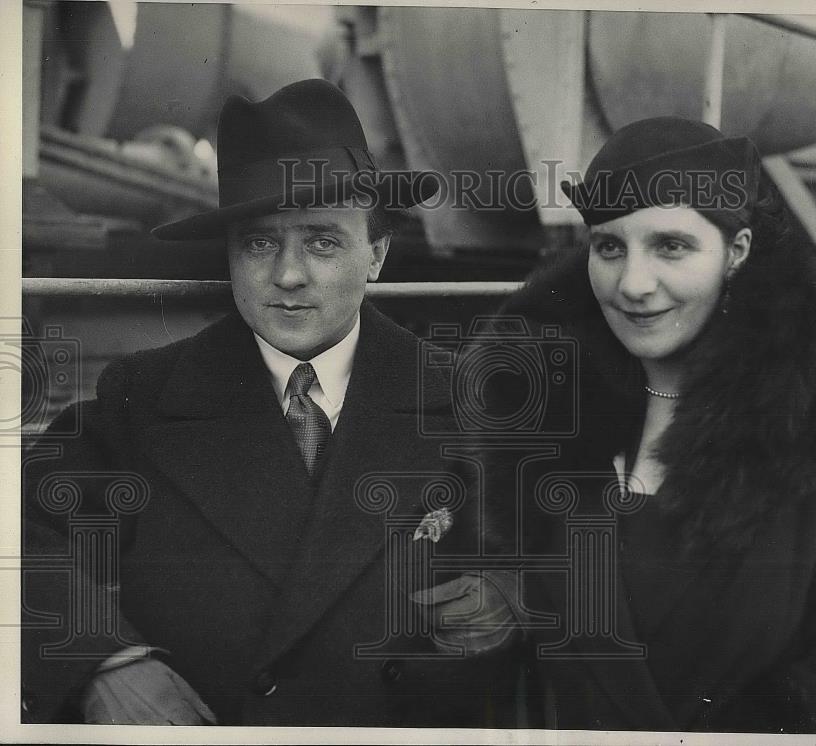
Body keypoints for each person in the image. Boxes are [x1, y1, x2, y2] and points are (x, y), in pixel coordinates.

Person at [21, 79, 523, 727]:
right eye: (259, 243)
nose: (287, 275)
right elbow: (21, 539)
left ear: (376, 255)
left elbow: (573, 535)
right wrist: (103, 663)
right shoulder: (141, 400)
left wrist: (514, 594)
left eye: (322, 241)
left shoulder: (466, 399)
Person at [482, 117, 816, 733]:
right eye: (610, 247)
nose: (633, 284)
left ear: (735, 254)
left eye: (671, 247)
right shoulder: (542, 411)